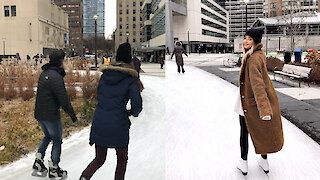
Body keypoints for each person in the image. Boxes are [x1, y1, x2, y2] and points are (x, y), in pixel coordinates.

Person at [80, 43, 143, 180]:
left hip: (100, 120)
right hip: (118, 123)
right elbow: (137, 105)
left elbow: (100, 96)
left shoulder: (105, 76)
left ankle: (84, 178)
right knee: (121, 158)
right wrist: (131, 112)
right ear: (129, 59)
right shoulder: (130, 79)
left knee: (99, 158)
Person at [234, 28, 284, 176]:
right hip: (253, 101)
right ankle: (264, 160)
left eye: (250, 39)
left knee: (245, 132)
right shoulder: (257, 55)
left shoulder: (253, 59)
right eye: (245, 38)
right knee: (261, 131)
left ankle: (243, 163)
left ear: (256, 41)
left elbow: (258, 85)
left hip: (249, 103)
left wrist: (264, 110)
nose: (246, 41)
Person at [33, 50, 77, 179]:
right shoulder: (56, 77)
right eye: (63, 60)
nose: (64, 63)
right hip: (51, 115)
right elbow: (63, 99)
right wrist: (72, 115)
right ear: (59, 61)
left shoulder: (44, 74)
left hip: (39, 114)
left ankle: (38, 161)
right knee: (57, 140)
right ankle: (54, 168)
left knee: (47, 136)